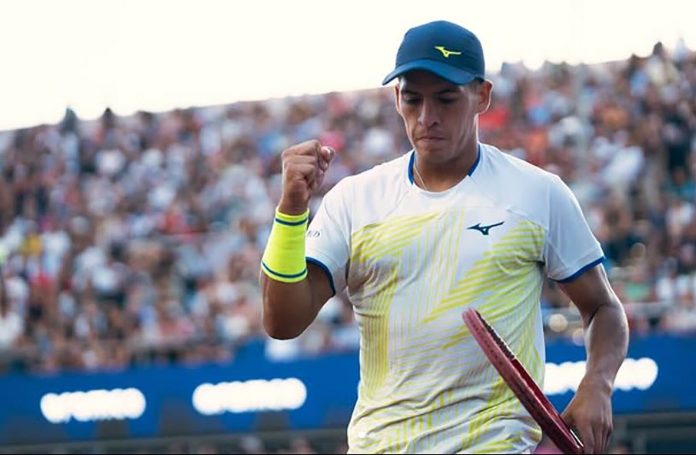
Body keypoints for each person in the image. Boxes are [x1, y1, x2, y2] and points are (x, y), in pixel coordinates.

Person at [260, 20, 629, 454]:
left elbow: (603, 308)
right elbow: (281, 322)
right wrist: (291, 212)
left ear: (482, 96)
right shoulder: (355, 200)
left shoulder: (537, 193)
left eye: (446, 98)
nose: (426, 117)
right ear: (396, 99)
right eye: (412, 99)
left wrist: (597, 385)